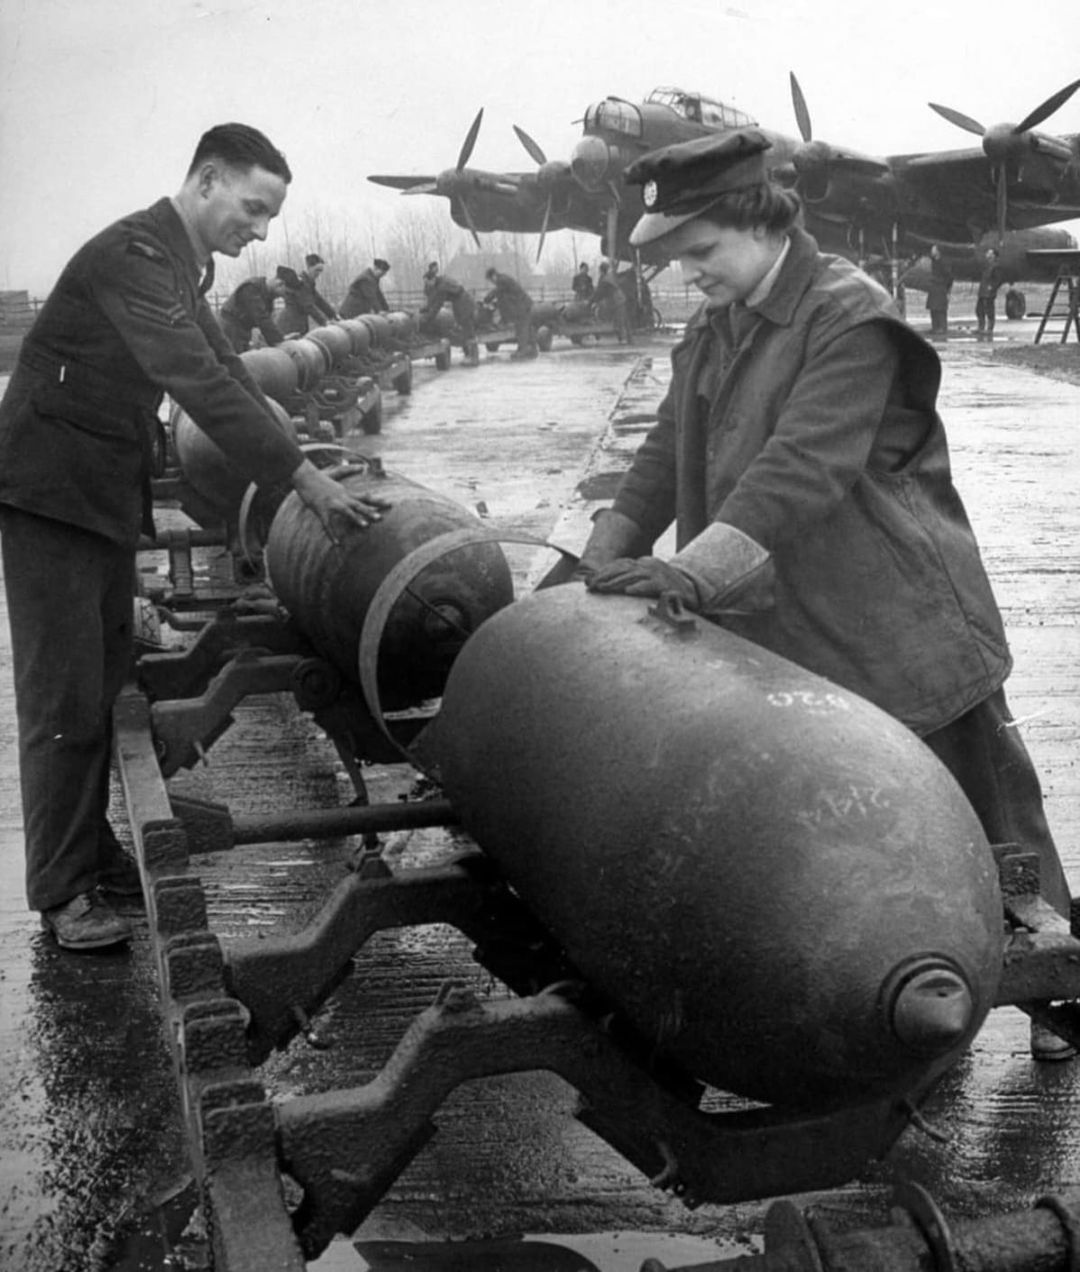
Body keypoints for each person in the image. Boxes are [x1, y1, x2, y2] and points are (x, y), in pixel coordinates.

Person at [574, 127, 1074, 1061]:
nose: (690, 276)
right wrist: (594, 562)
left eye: (700, 253)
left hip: (899, 627)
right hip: (781, 624)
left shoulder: (850, 317)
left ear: (758, 221)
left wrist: (690, 571)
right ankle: (899, 1000)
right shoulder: (717, 325)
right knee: (851, 823)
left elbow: (800, 468)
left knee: (995, 823)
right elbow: (656, 456)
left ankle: (1061, 998)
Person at [0, 122, 390, 952]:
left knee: (103, 676)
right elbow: (196, 379)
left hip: (98, 491)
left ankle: (92, 855)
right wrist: (305, 481)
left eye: (269, 217)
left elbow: (229, 371)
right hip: (46, 494)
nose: (259, 231)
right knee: (62, 696)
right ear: (206, 180)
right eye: (252, 208)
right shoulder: (131, 259)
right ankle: (62, 893)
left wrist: (301, 459)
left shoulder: (185, 264)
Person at [420, 262, 478, 359]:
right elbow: (433, 299)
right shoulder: (441, 281)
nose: (427, 285)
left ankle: (473, 357)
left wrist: (427, 319)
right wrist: (426, 308)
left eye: (428, 283)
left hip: (463, 303)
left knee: (467, 328)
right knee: (463, 328)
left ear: (432, 279)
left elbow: (437, 305)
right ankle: (469, 355)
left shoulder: (442, 287)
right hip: (461, 301)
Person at [218, 273, 287, 352]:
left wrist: (279, 339)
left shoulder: (267, 296)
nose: (278, 297)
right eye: (279, 295)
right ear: (279, 284)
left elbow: (267, 320)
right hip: (231, 328)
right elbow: (261, 318)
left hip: (243, 330)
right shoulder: (251, 288)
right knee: (234, 357)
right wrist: (279, 342)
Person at [483, 266, 538, 359]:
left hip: (522, 305)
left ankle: (522, 350)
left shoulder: (502, 280)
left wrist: (487, 298)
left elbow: (497, 292)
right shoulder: (503, 279)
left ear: (493, 276)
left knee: (521, 328)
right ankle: (532, 349)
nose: (492, 283)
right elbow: (503, 295)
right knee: (526, 327)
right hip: (523, 304)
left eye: (490, 280)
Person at [277, 252, 337, 335]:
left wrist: (334, 315)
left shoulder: (309, 284)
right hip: (290, 325)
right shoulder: (299, 283)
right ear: (309, 267)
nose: (318, 274)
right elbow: (308, 306)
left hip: (299, 324)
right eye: (317, 270)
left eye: (321, 271)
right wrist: (325, 322)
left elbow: (320, 301)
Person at [593, 261, 631, 342]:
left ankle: (624, 338)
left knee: (620, 319)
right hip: (617, 300)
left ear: (601, 270)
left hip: (617, 301)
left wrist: (592, 301)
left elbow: (600, 292)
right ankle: (624, 337)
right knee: (620, 319)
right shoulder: (607, 277)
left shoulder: (606, 279)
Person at [925, 244, 953, 340]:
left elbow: (949, 276)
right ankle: (935, 327)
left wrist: (947, 288)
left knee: (940, 309)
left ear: (938, 251)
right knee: (933, 309)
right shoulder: (933, 261)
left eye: (933, 249)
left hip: (940, 288)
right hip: (934, 288)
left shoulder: (943, 262)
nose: (931, 251)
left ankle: (942, 328)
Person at [976, 247, 1004, 340]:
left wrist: (992, 287)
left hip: (989, 292)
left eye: (989, 253)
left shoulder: (996, 266)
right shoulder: (986, 265)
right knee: (979, 310)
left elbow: (998, 280)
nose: (987, 254)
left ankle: (990, 328)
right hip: (982, 291)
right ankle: (981, 327)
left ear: (993, 256)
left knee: (989, 310)